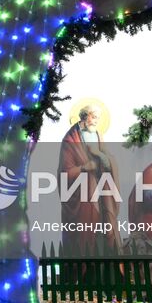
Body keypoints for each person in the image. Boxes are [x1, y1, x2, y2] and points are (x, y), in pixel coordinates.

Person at [57, 104, 120, 256]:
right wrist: (85, 167)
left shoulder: (98, 135)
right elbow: (65, 172)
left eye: (98, 118)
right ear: (85, 116)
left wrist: (100, 154)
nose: (96, 121)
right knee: (86, 233)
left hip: (102, 190)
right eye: (94, 117)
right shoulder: (70, 139)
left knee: (105, 227)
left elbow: (108, 160)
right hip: (81, 196)